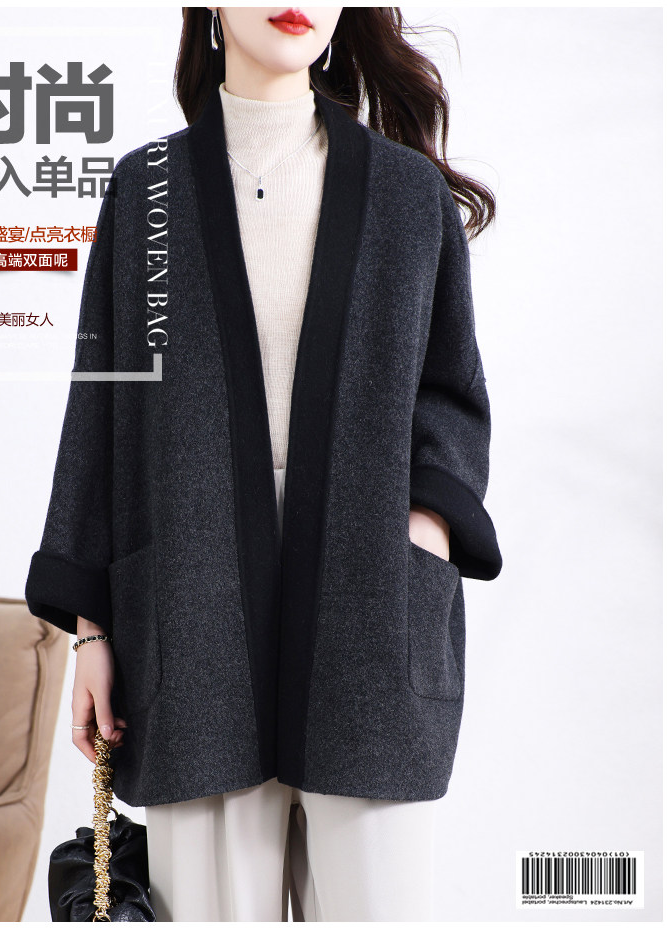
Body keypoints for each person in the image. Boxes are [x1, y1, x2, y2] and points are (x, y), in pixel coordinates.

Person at [26, 5, 502, 922]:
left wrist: (422, 532)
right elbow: (103, 413)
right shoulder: (147, 193)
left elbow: (452, 395)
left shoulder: (407, 196)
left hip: (370, 614)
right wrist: (90, 630)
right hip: (189, 619)